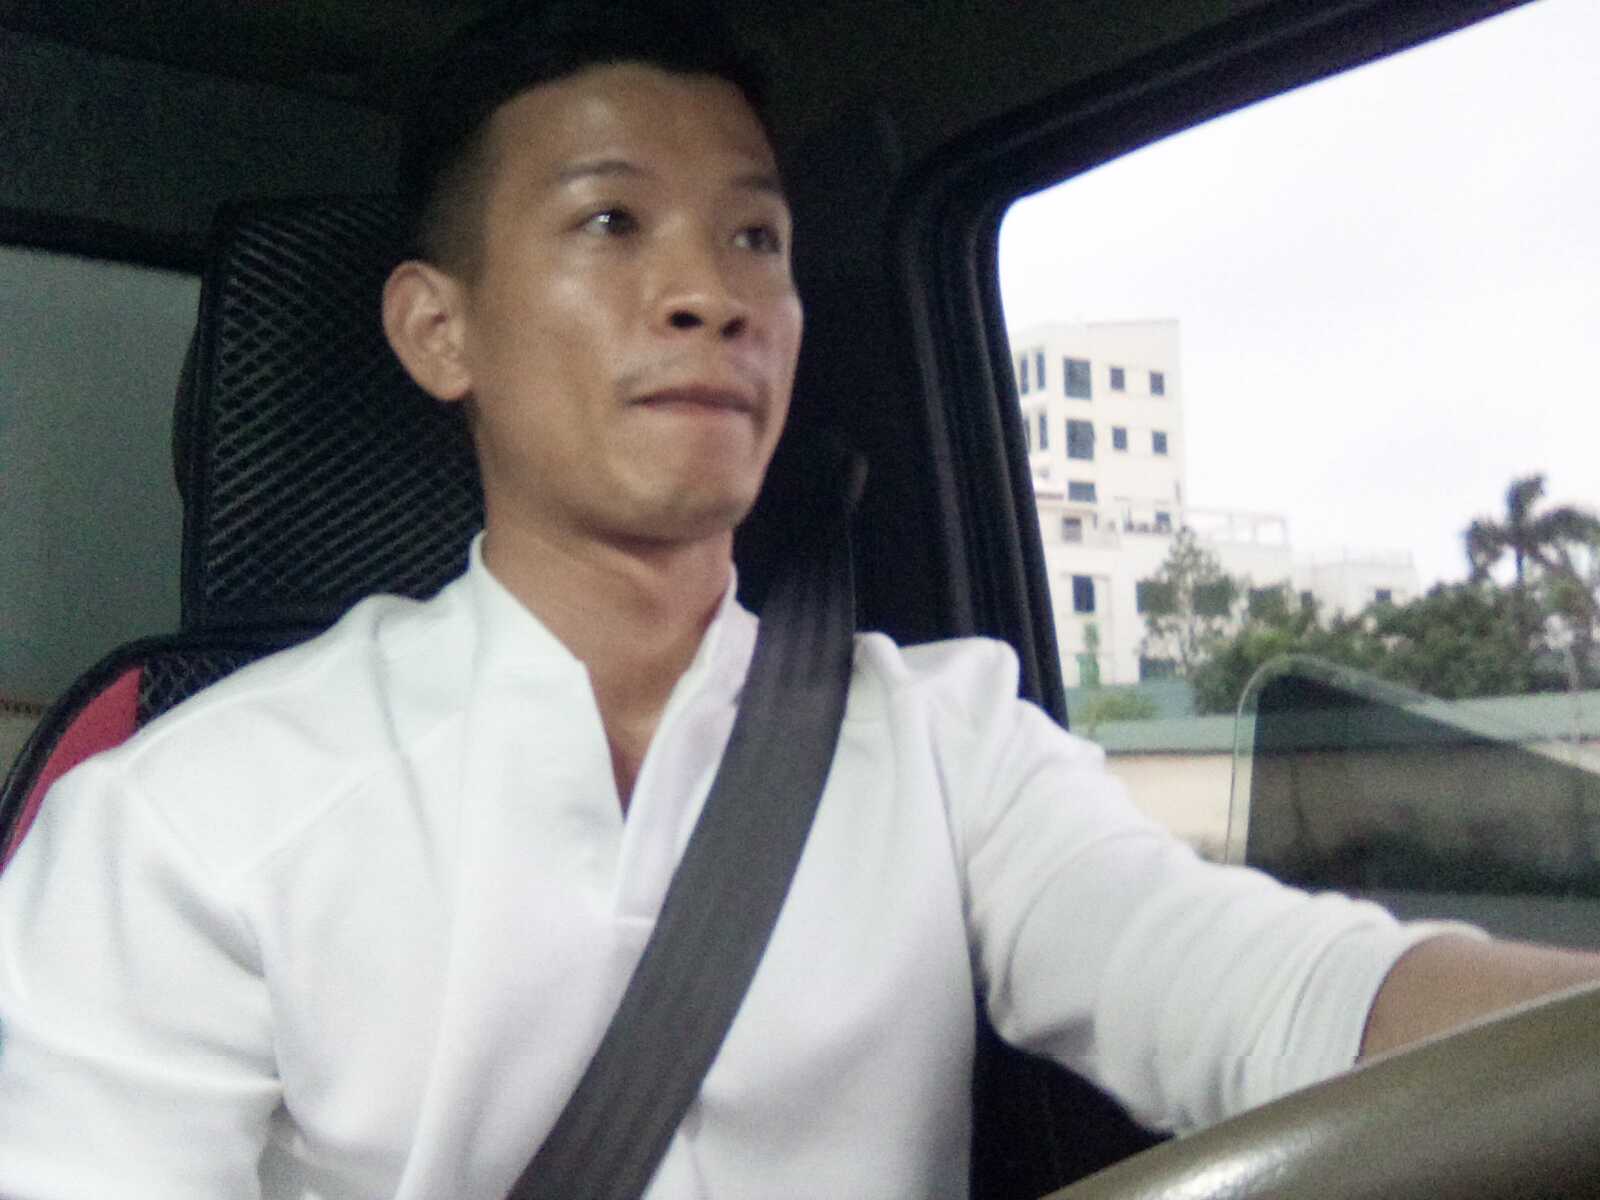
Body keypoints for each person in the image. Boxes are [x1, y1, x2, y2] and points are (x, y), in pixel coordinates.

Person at [1, 3, 1598, 1197]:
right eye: (610, 221)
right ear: (440, 331)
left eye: (755, 236)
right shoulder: (182, 825)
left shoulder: (949, 745)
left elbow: (1264, 993)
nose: (712, 292)